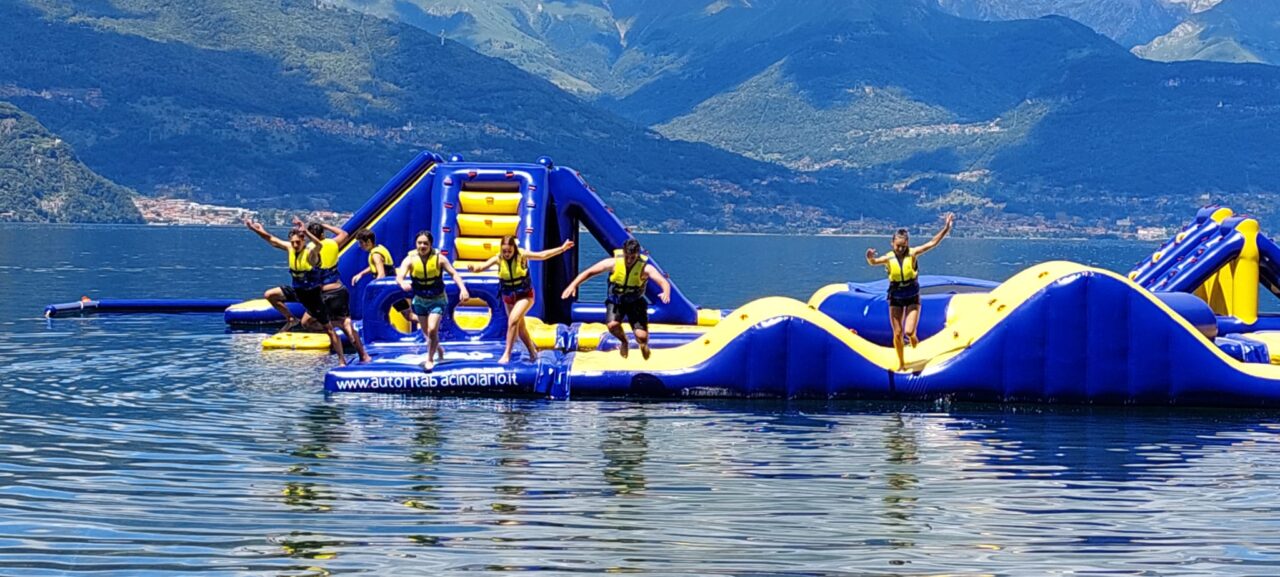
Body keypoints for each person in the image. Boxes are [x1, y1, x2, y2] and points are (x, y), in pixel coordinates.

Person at [243, 218, 348, 365]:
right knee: (270, 295)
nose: (295, 245)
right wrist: (256, 230)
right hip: (297, 291)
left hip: (312, 295)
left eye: (298, 242)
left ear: (304, 241)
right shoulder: (290, 248)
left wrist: (305, 231)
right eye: (292, 242)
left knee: (328, 329)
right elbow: (271, 239)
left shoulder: (311, 253)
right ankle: (291, 319)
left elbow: (318, 245)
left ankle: (341, 359)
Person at [865, 213, 954, 372]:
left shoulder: (913, 254)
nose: (900, 249)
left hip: (912, 296)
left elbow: (932, 243)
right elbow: (873, 262)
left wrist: (946, 228)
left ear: (907, 244)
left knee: (908, 331)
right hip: (895, 297)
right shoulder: (888, 258)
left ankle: (913, 337)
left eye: (903, 246)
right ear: (892, 243)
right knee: (897, 333)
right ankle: (901, 363)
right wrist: (869, 257)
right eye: (897, 246)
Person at [468, 236, 575, 364]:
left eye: (509, 251)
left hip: (525, 295)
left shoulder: (522, 255)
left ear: (514, 249)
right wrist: (473, 268)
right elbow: (481, 267)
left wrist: (562, 248)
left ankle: (507, 354)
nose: (507, 254)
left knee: (513, 321)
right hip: (508, 297)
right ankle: (532, 352)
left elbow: (542, 255)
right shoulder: (498, 258)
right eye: (504, 251)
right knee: (520, 327)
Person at [561, 238, 671, 360]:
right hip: (616, 301)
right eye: (627, 257)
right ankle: (624, 341)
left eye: (633, 257)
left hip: (635, 302)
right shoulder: (612, 263)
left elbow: (663, 281)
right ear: (623, 253)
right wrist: (573, 285)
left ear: (637, 255)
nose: (629, 261)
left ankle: (643, 345)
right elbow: (589, 272)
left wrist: (665, 292)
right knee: (612, 325)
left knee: (641, 336)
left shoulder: (645, 268)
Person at [396, 231, 470, 372]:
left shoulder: (439, 259)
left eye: (425, 243)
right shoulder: (409, 260)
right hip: (420, 300)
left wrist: (463, 289)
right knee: (428, 333)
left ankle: (429, 359)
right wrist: (402, 283)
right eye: (419, 243)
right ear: (416, 244)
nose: (422, 246)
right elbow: (399, 276)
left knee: (432, 329)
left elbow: (454, 273)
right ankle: (439, 349)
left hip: (437, 299)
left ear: (431, 245)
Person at [302, 221, 371, 364]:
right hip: (339, 290)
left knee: (307, 323)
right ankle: (364, 356)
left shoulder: (309, 250)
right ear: (323, 234)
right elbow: (344, 233)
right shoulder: (332, 244)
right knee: (347, 325)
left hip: (322, 293)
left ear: (310, 237)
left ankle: (341, 359)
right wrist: (325, 225)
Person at [351, 229, 416, 329]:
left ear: (368, 241)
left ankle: (429, 324)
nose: (360, 246)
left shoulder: (375, 255)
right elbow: (376, 266)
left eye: (361, 242)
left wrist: (373, 290)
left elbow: (381, 274)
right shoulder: (379, 248)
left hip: (387, 290)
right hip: (393, 286)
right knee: (400, 314)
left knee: (405, 315)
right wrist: (361, 274)